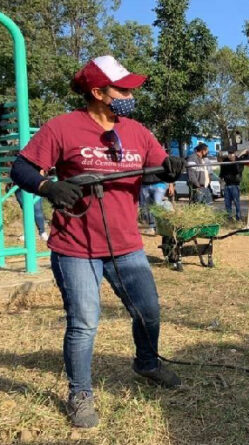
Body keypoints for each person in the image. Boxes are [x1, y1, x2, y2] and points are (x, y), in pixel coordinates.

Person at [10, 55, 185, 428]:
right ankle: (80, 392)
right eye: (122, 88)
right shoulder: (62, 128)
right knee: (84, 322)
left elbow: (158, 165)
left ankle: (147, 363)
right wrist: (47, 186)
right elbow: (20, 167)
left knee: (149, 312)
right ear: (98, 92)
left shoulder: (137, 131)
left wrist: (173, 165)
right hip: (76, 247)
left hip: (127, 245)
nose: (129, 93)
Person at [218, 147, 245, 221]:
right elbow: (222, 171)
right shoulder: (225, 161)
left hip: (235, 185)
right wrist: (221, 179)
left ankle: (238, 218)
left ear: (235, 153)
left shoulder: (239, 161)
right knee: (227, 203)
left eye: (231, 153)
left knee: (237, 202)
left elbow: (238, 171)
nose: (230, 155)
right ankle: (229, 218)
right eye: (229, 153)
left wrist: (234, 162)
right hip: (227, 185)